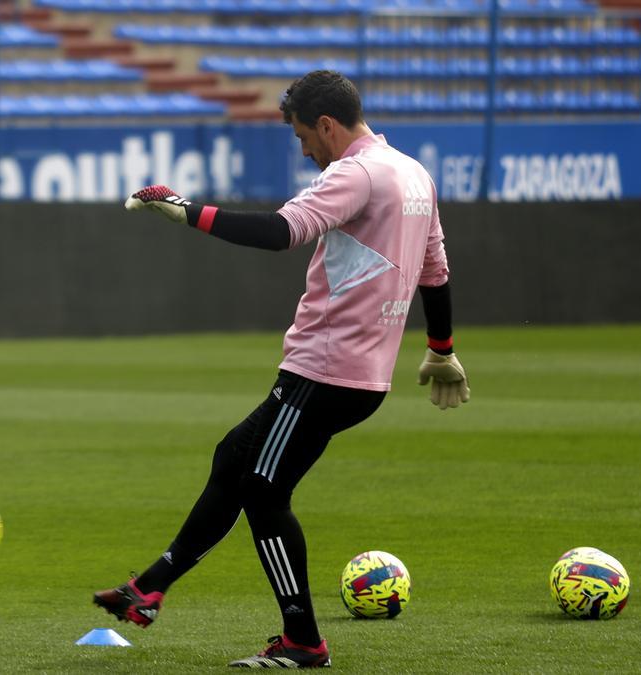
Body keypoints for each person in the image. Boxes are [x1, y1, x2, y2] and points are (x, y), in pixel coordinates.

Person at [93, 70, 470, 669]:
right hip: (357, 373)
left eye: (303, 138)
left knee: (263, 491)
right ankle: (149, 589)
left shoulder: (356, 172)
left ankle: (302, 640)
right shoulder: (411, 172)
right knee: (234, 457)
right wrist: (442, 348)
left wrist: (185, 211)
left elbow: (280, 232)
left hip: (325, 370)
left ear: (326, 125)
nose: (305, 152)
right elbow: (436, 269)